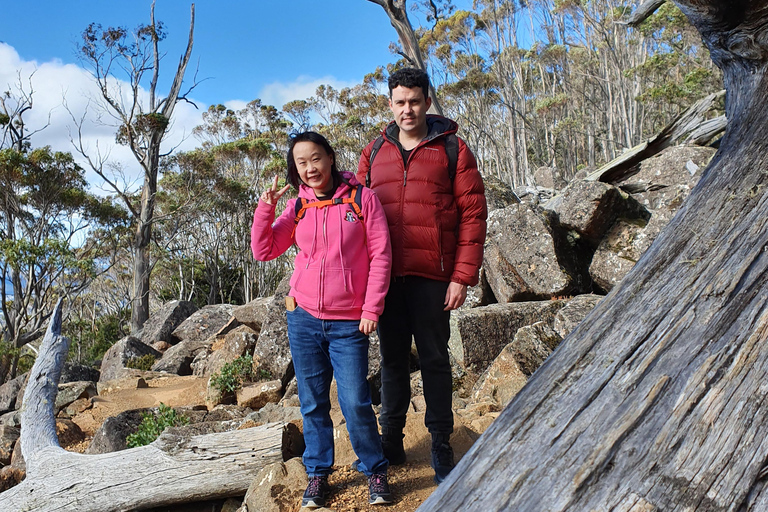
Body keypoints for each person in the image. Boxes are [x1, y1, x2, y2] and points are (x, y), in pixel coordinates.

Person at [357, 68, 487, 485]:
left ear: (427, 103)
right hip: (387, 280)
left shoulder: (453, 149)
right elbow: (353, 216)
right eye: (400, 102)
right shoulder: (374, 152)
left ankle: (440, 443)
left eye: (414, 101)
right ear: (390, 104)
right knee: (392, 362)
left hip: (435, 277)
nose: (407, 109)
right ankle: (390, 440)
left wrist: (462, 277)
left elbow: (473, 215)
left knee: (434, 360)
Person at [252, 131, 393, 508]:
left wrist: (370, 309)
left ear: (330, 158)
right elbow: (264, 250)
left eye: (316, 158)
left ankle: (375, 469)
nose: (310, 168)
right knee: (313, 403)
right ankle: (317, 475)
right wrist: (265, 209)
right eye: (301, 163)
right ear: (295, 169)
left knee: (354, 401)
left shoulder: (362, 199)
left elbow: (381, 256)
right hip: (304, 319)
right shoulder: (298, 206)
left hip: (350, 323)